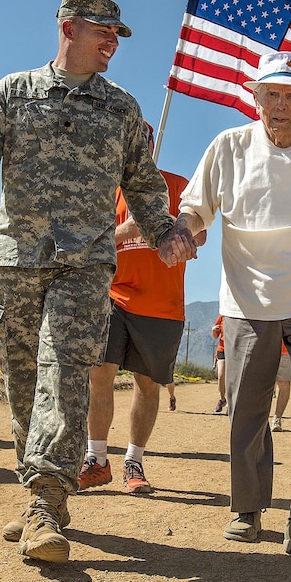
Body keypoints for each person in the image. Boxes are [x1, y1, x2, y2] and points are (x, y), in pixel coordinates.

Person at [0, 0, 197, 564]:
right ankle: (34, 490)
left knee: (65, 369)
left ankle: (48, 501)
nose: (113, 43)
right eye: (104, 32)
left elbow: (143, 184)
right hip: (16, 258)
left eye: (119, 35)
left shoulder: (121, 108)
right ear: (68, 28)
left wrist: (166, 230)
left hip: (86, 261)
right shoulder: (14, 92)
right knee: (22, 376)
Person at [174, 51, 291, 556]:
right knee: (246, 407)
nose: (280, 105)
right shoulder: (228, 148)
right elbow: (196, 210)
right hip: (247, 299)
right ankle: (248, 508)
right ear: (255, 97)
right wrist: (182, 234)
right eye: (272, 94)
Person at [79, 160, 205, 495]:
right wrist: (130, 229)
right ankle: (96, 459)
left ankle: (133, 462)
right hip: (113, 294)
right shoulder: (106, 187)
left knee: (147, 385)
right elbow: (89, 237)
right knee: (99, 375)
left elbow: (201, 232)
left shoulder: (177, 184)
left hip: (161, 305)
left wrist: (177, 233)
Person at [270, 345, 291, 433]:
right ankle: (259, 419)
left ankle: (277, 418)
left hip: (285, 350)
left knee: (284, 384)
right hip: (263, 350)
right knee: (261, 385)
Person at [211, 315, 226, 414]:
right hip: (222, 349)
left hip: (236, 349)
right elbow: (216, 335)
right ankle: (222, 399)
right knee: (221, 375)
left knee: (233, 378)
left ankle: (232, 402)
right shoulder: (222, 317)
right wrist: (213, 330)